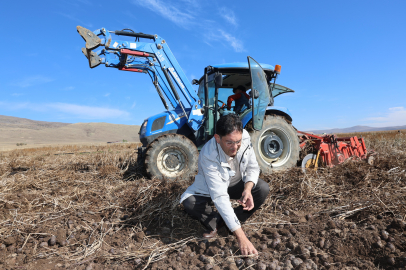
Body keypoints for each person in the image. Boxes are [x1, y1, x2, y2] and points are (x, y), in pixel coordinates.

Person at [180, 114, 270, 256]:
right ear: (217, 138)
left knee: (262, 188)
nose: (235, 147)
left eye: (238, 142)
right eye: (229, 143)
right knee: (189, 202)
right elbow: (219, 195)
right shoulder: (208, 154)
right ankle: (218, 222)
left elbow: (253, 168)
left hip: (235, 183)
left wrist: (247, 189)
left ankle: (231, 221)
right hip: (211, 188)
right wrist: (241, 237)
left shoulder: (245, 137)